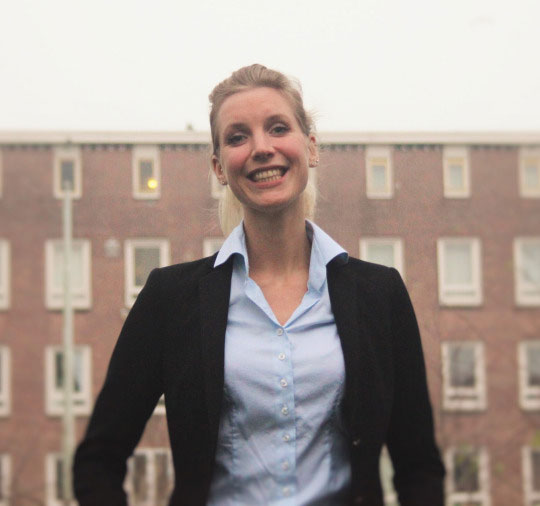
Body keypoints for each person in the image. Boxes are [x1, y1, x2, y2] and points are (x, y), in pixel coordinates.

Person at [73, 64, 445, 506]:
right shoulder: (170, 299)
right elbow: (98, 461)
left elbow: (418, 466)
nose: (262, 148)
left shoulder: (380, 295)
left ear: (310, 147)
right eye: (238, 137)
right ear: (219, 168)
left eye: (278, 128)